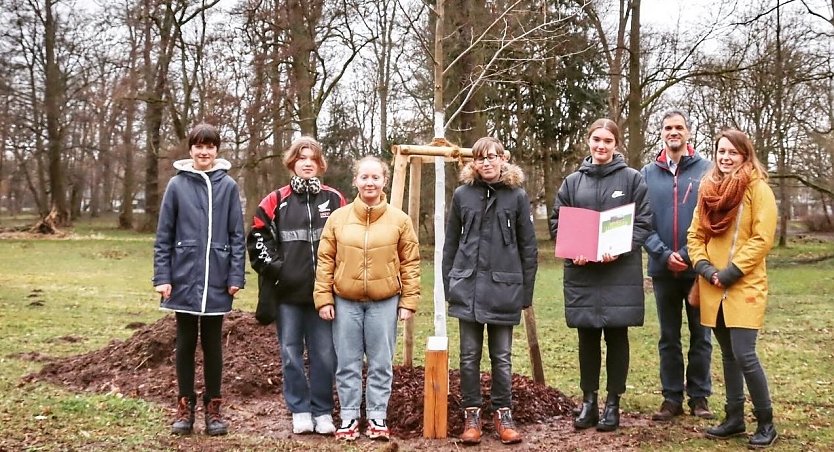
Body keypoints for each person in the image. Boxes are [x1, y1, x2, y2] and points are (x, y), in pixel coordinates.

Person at [548, 118, 652, 433]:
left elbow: (644, 222)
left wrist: (621, 248)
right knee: (587, 337)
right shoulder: (571, 182)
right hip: (583, 275)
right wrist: (571, 249)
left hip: (619, 272)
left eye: (607, 140)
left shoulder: (633, 179)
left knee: (617, 337)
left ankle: (613, 403)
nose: (601, 146)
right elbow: (557, 223)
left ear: (615, 144)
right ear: (588, 141)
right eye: (596, 140)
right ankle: (589, 402)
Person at [314, 156, 421, 442]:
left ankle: (377, 417)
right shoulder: (338, 218)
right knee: (347, 362)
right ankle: (349, 417)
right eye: (364, 177)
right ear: (356, 181)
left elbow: (410, 262)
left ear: (384, 181)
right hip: (345, 301)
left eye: (375, 177)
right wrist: (324, 297)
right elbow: (325, 260)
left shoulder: (400, 220)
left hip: (384, 302)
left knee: (380, 363)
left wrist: (408, 301)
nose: (370, 182)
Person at [246, 137, 346, 435]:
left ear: (319, 164)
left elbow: (348, 240)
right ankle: (299, 409)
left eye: (312, 159)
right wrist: (279, 270)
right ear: (292, 162)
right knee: (290, 352)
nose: (306, 163)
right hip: (288, 295)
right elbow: (257, 239)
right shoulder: (275, 199)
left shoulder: (335, 200)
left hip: (324, 296)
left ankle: (323, 411)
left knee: (324, 354)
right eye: (301, 158)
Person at [442, 137, 538, 445]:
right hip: (467, 287)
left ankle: (502, 413)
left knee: (502, 356)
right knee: (469, 356)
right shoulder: (461, 195)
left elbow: (528, 247)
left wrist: (526, 294)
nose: (487, 162)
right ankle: (472, 414)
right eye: (481, 157)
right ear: (473, 162)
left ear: (503, 159)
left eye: (493, 157)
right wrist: (449, 285)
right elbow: (450, 245)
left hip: (504, 288)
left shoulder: (517, 196)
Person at [153, 122, 245, 436]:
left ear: (216, 150)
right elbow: (163, 236)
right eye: (198, 146)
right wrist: (163, 277)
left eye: (209, 146)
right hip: (183, 276)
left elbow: (236, 235)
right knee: (185, 343)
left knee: (213, 345)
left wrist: (235, 275)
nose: (204, 152)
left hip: (218, 278)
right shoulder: (177, 186)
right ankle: (184, 406)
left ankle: (214, 409)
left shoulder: (228, 186)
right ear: (190, 149)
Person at [687, 129, 778, 448]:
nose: (725, 158)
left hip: (744, 284)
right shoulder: (708, 188)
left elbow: (762, 238)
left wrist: (731, 272)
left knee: (744, 353)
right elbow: (694, 235)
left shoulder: (758, 189)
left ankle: (766, 422)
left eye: (732, 153)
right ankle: (734, 417)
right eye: (721, 151)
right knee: (727, 354)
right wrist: (705, 268)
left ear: (745, 155)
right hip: (712, 283)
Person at [641, 109, 714, 421]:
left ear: (688, 132)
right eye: (668, 127)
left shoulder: (708, 170)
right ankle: (671, 399)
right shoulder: (645, 174)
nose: (674, 132)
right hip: (662, 269)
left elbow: (714, 219)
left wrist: (686, 253)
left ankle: (700, 398)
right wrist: (661, 253)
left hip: (698, 268)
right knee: (668, 337)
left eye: (679, 127)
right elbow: (640, 221)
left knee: (701, 336)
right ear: (661, 133)